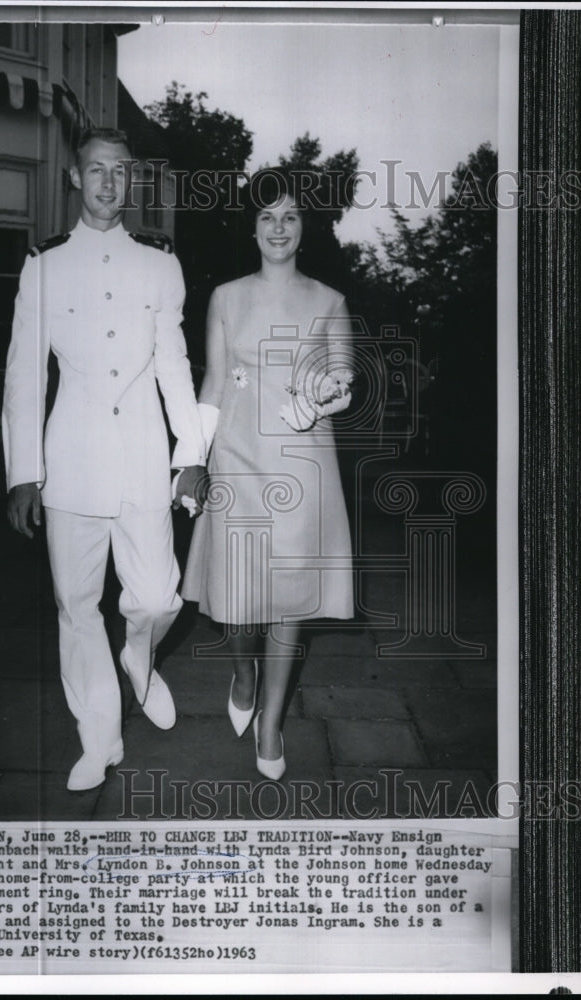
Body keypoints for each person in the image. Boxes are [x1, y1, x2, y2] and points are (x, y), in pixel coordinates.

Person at [2, 127, 206, 792]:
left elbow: (174, 366)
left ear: (131, 180)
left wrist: (190, 453)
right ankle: (100, 737)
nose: (108, 183)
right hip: (70, 464)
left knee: (154, 597)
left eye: (120, 172)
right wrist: (24, 472)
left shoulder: (158, 261)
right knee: (76, 605)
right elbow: (24, 376)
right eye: (96, 170)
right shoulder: (44, 263)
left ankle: (139, 658)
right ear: (74, 177)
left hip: (146, 458)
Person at [182, 171, 354, 780]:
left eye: (289, 217)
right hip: (235, 455)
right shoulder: (226, 297)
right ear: (252, 228)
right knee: (239, 598)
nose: (278, 228)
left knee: (288, 599)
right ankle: (244, 671)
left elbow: (344, 380)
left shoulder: (329, 300)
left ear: (305, 227)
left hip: (302, 463)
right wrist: (192, 460)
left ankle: (272, 723)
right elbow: (211, 383)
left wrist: (322, 399)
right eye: (266, 217)